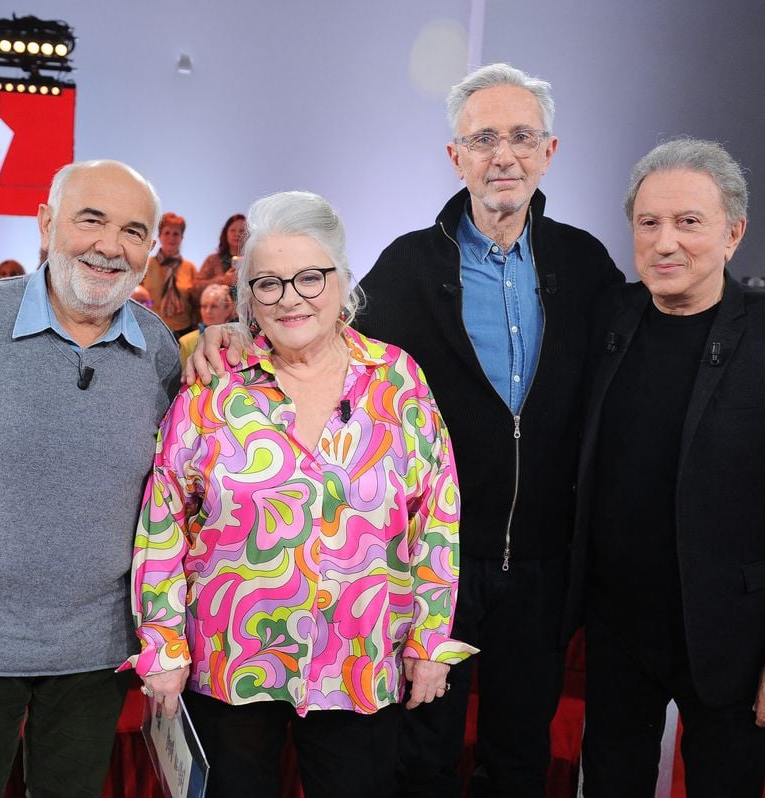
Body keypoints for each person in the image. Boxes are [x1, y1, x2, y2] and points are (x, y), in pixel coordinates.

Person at [188, 63, 623, 796]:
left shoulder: (585, 265)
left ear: (550, 150)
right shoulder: (409, 264)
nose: (503, 155)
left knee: (520, 759)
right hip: (434, 565)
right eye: (482, 138)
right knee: (420, 762)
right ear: (455, 156)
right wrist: (234, 331)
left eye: (521, 136)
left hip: (544, 563)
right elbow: (318, 331)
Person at [129, 191, 474, 798]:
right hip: (229, 663)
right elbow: (164, 522)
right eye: (268, 284)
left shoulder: (396, 380)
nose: (290, 298)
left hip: (362, 659)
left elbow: (436, 517)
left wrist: (429, 639)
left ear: (342, 279)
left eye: (309, 278)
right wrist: (163, 644)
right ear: (247, 299)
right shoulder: (212, 389)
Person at [565, 138, 765, 796]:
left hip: (735, 639)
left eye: (688, 222)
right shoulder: (611, 316)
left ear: (734, 232)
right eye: (649, 223)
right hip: (617, 633)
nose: (666, 242)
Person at [0, 159, 181, 798]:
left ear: (150, 251)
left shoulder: (158, 349)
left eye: (132, 231)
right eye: (90, 220)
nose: (109, 245)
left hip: (95, 649)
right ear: (46, 224)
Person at [142, 212, 198, 335]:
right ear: (160, 236)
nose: (171, 238)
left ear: (181, 238)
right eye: (167, 233)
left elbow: (195, 305)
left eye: (176, 234)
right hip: (151, 330)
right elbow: (137, 299)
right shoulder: (145, 265)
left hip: (183, 332)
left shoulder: (190, 268)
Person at [177, 283, 236, 367]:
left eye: (214, 306)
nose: (208, 311)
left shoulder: (239, 337)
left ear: (228, 309)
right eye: (204, 306)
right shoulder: (186, 342)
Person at [193, 213, 246, 299]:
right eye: (233, 230)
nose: (237, 234)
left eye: (241, 231)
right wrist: (223, 280)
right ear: (226, 233)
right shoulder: (213, 260)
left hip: (247, 311)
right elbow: (195, 290)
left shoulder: (254, 261)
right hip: (217, 310)